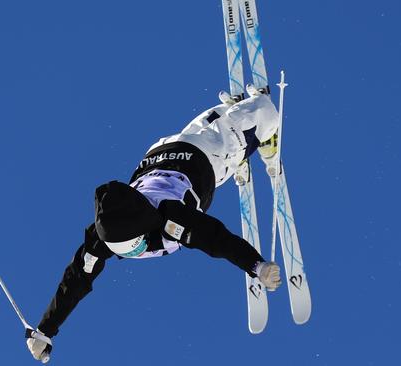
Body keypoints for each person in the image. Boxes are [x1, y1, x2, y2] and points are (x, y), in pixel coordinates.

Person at [26, 86, 283, 361]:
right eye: (126, 253)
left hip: (203, 156)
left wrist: (255, 265)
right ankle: (236, 126)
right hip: (161, 153)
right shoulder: (101, 236)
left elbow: (215, 239)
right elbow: (75, 280)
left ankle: (261, 131)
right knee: (209, 126)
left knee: (261, 116)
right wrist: (45, 331)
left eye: (137, 248)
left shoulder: (171, 217)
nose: (135, 254)